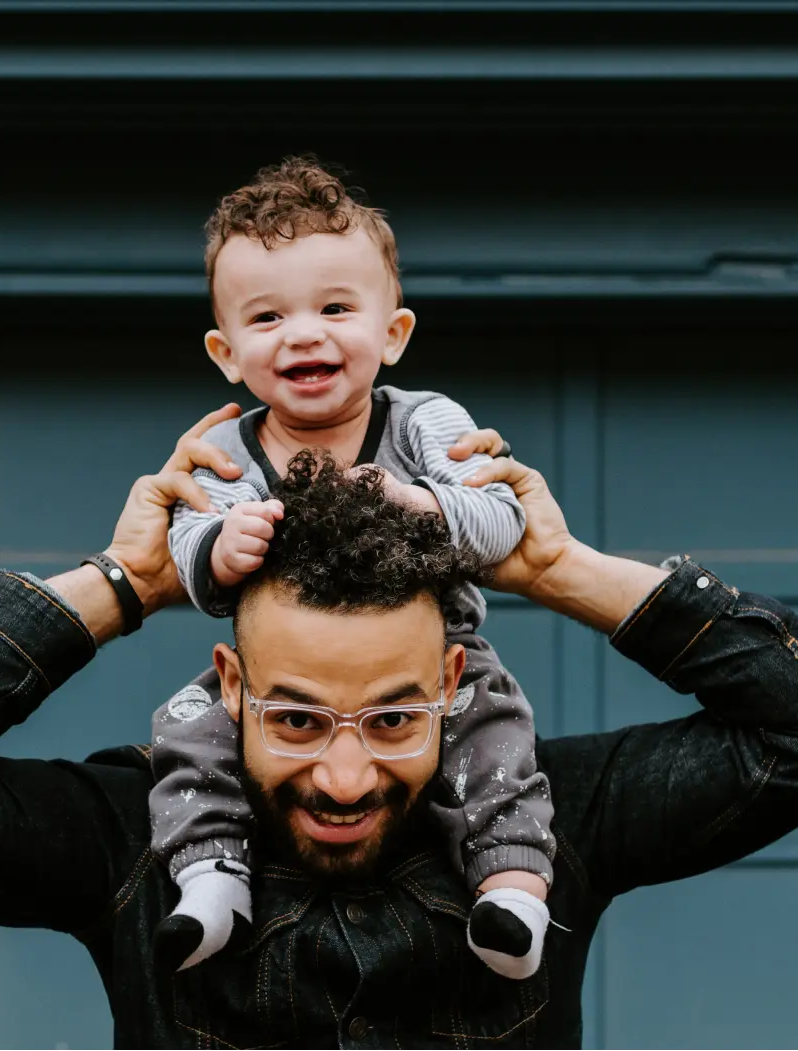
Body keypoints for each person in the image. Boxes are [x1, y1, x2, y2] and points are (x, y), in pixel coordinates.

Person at [0, 407, 798, 1050]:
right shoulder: (132, 839)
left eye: (395, 716)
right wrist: (123, 583)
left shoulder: (549, 818)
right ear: (230, 684)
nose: (346, 776)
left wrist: (556, 572)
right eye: (299, 719)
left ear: (455, 679)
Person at [153, 156, 552, 978]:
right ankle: (209, 876)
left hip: (438, 652)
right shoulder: (225, 448)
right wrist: (217, 548)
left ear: (392, 333)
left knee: (496, 731)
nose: (303, 333)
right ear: (227, 353)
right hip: (279, 673)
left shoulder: (423, 423)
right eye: (267, 319)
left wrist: (421, 504)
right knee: (188, 728)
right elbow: (188, 550)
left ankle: (510, 888)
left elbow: (499, 518)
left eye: (335, 308)